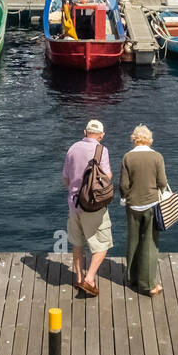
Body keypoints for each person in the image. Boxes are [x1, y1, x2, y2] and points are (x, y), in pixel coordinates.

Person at [61, 119, 112, 296]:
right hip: (93, 205)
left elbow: (65, 178)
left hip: (74, 204)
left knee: (77, 243)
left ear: (85, 132)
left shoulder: (72, 148)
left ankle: (79, 278)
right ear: (101, 135)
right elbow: (107, 176)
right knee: (103, 243)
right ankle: (89, 279)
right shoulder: (102, 150)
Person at [119, 124, 168, 296]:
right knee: (149, 244)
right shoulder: (157, 157)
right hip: (151, 205)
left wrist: (124, 197)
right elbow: (162, 182)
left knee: (133, 241)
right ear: (149, 139)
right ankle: (148, 284)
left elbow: (123, 185)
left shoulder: (127, 157)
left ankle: (131, 278)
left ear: (134, 139)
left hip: (132, 205)